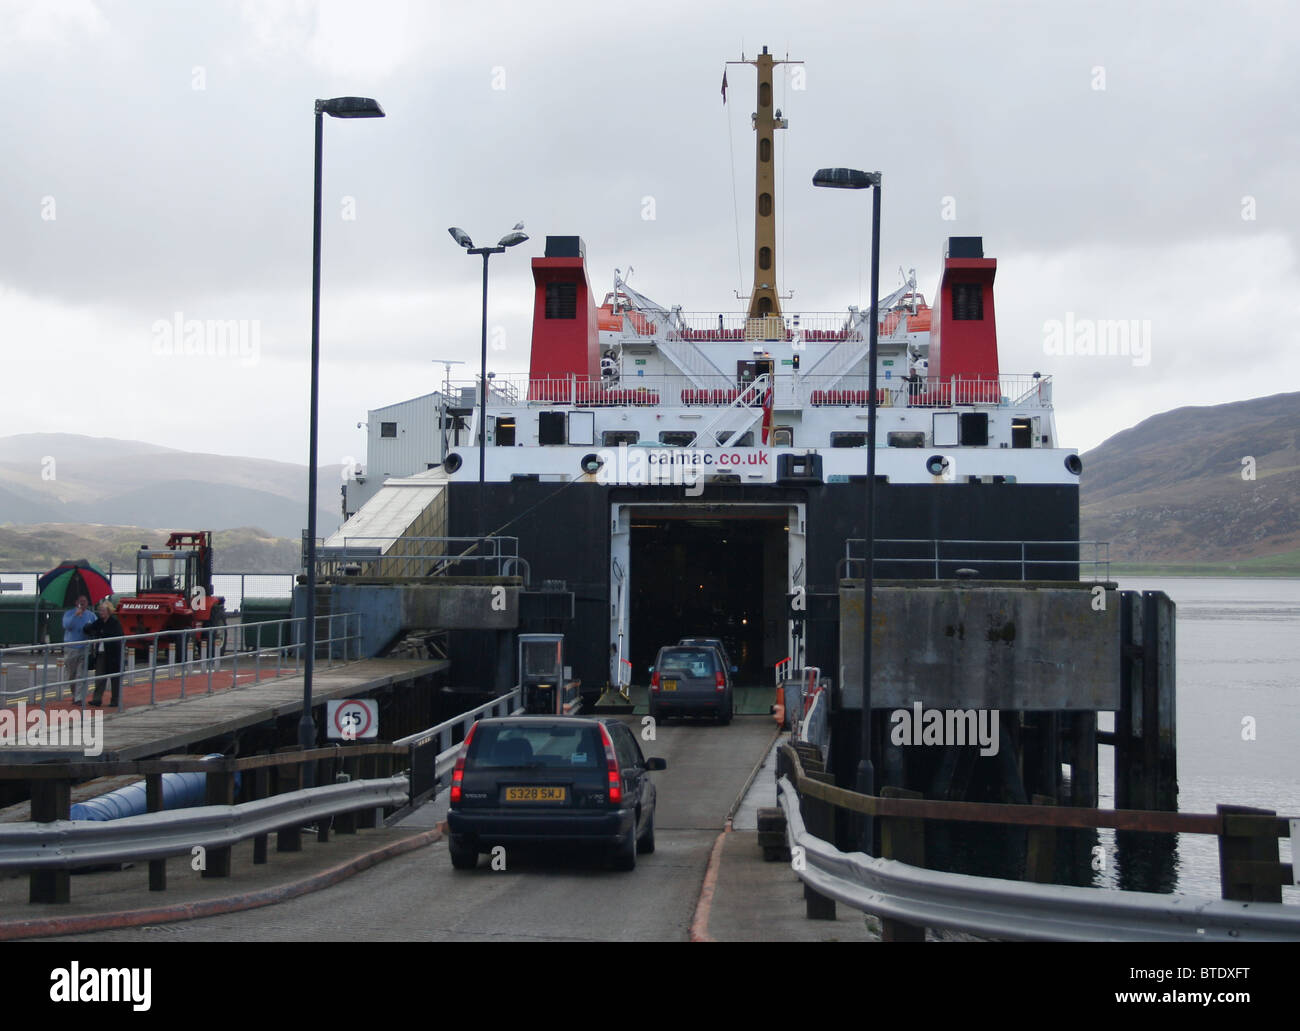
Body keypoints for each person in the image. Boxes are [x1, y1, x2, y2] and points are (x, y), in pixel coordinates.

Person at [87, 600, 124, 708]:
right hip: (101, 653)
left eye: (103, 610)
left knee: (114, 678)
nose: (100, 612)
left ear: (108, 611)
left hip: (113, 654)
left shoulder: (114, 623)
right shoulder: (99, 622)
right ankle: (97, 699)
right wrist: (87, 627)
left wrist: (103, 634)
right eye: (100, 610)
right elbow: (90, 629)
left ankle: (115, 700)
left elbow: (117, 635)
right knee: (99, 676)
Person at [62, 595, 97, 705]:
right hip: (71, 647)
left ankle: (79, 697)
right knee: (72, 675)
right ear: (76, 602)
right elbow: (67, 626)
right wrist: (75, 616)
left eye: (85, 601)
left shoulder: (91, 615)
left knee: (81, 674)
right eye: (80, 601)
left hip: (85, 647)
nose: (82, 604)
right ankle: (74, 694)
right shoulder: (69, 613)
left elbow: (96, 628)